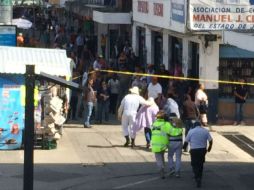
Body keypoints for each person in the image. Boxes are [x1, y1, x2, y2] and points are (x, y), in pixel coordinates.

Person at [151, 111, 182, 179]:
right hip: (163, 144)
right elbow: (173, 132)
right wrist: (180, 130)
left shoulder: (154, 124)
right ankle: (163, 169)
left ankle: (161, 170)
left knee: (159, 158)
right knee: (162, 157)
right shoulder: (165, 124)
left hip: (155, 144)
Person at [182, 121, 213, 188]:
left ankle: (197, 176)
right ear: (200, 125)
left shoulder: (191, 131)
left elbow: (186, 141)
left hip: (194, 150)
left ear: (194, 126)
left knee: (194, 164)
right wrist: (209, 148)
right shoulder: (205, 131)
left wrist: (184, 148)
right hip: (202, 150)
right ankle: (199, 176)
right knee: (200, 163)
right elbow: (210, 140)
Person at [167, 113, 183, 178]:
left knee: (170, 156)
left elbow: (166, 133)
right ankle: (177, 173)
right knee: (178, 158)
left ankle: (171, 168)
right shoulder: (179, 122)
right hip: (179, 141)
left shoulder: (168, 124)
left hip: (171, 142)